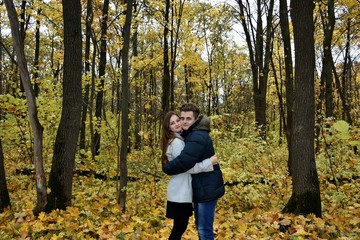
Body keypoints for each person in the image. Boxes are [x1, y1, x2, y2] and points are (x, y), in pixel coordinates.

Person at [163, 104, 225, 240]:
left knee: (203, 229)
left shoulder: (196, 136)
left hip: (206, 189)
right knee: (196, 227)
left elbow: (184, 163)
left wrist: (167, 168)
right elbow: (185, 163)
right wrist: (208, 163)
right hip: (199, 189)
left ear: (195, 120)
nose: (183, 122)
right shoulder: (186, 136)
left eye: (188, 119)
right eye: (182, 118)